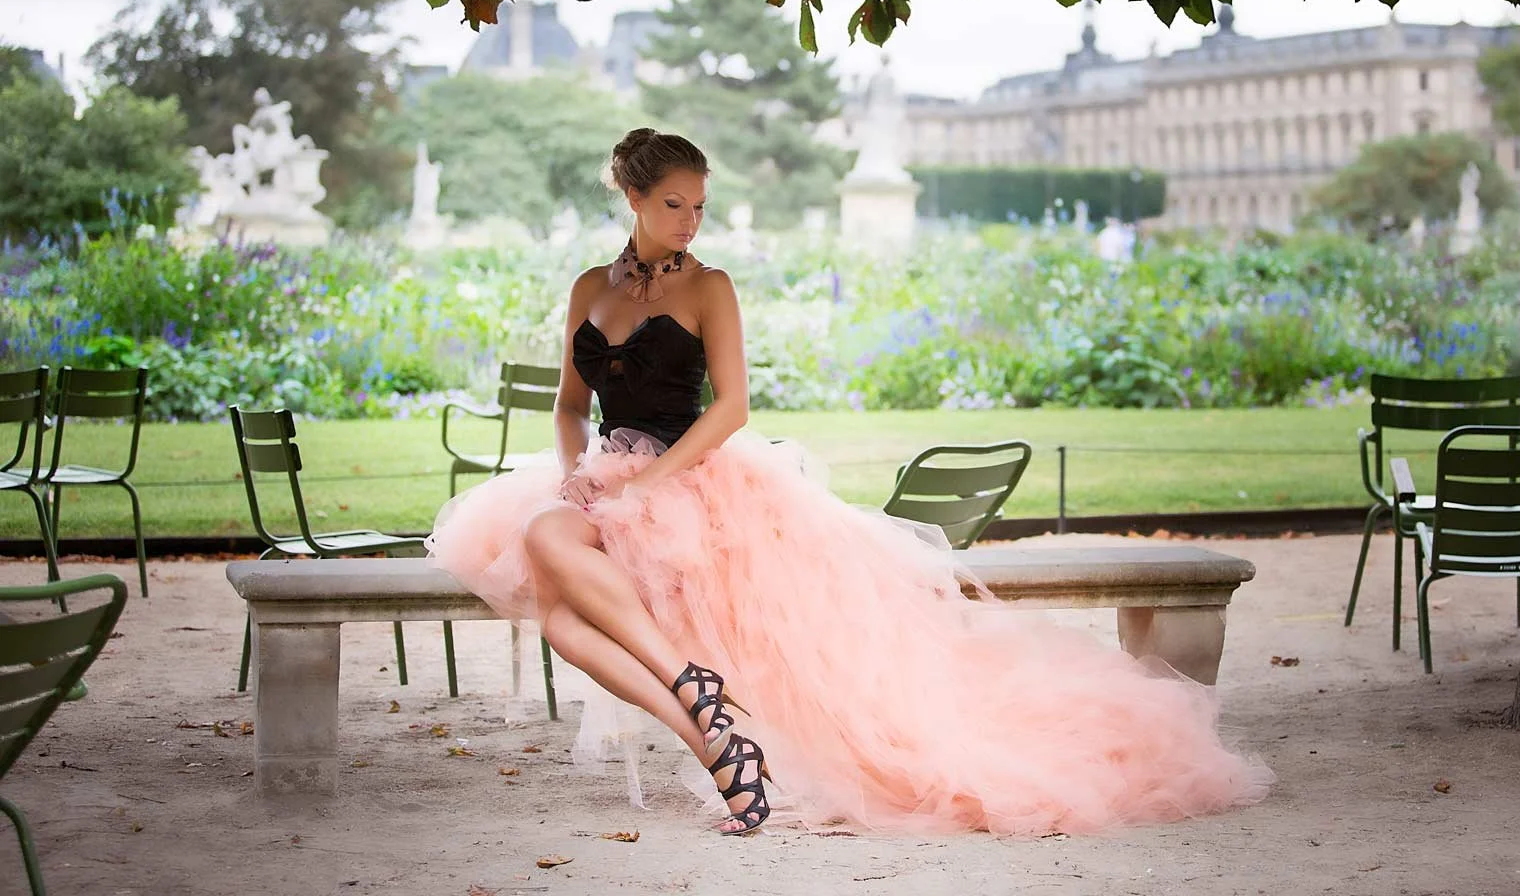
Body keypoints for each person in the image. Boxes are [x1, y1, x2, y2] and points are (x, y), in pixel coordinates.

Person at [427, 127, 1270, 837]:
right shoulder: (588, 288)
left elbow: (732, 411)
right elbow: (572, 405)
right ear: (635, 201)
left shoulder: (711, 288)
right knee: (555, 580)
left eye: (700, 206)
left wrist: (644, 490)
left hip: (692, 479)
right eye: (674, 204)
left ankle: (701, 709)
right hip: (606, 472)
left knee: (561, 589)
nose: (689, 221)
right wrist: (580, 473)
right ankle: (715, 732)